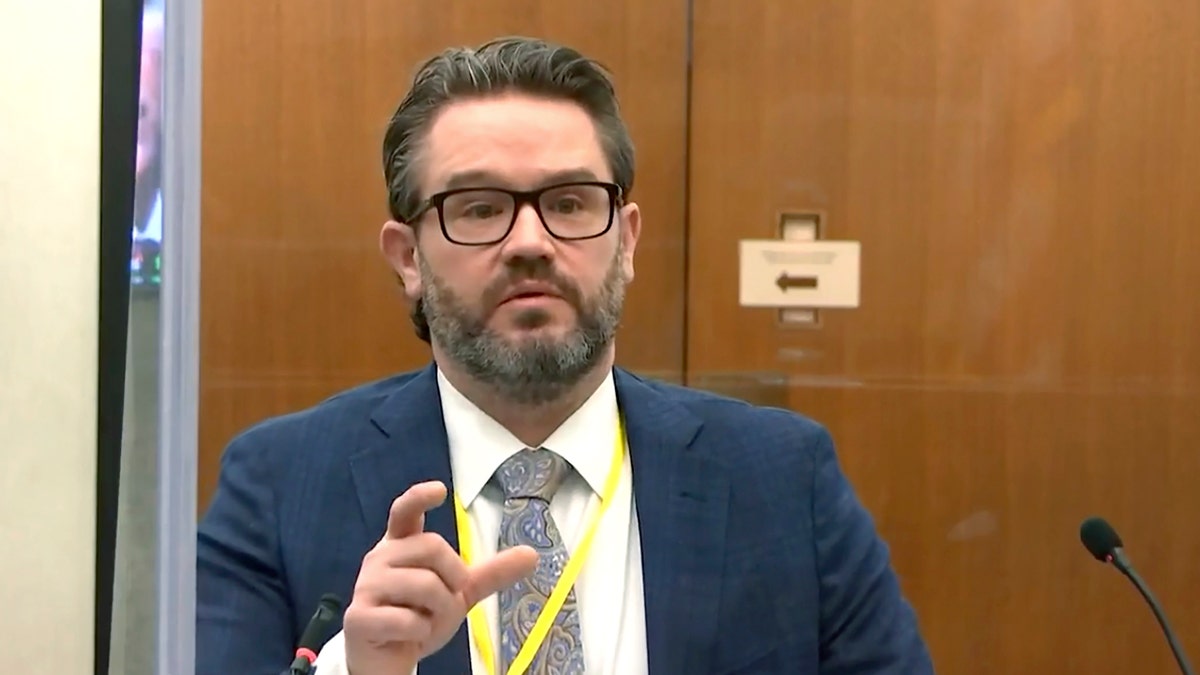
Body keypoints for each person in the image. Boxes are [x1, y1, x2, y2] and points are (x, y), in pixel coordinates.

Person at [195, 36, 935, 675]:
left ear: (628, 239)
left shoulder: (783, 479)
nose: (529, 242)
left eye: (571, 202)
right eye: (479, 207)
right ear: (408, 257)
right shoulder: (279, 485)